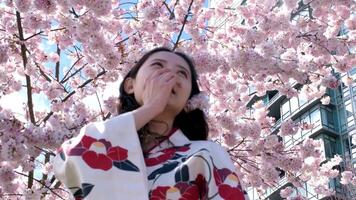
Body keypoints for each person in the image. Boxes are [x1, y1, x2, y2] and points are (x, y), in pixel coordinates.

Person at [52, 47, 249, 200]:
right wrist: (151, 108)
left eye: (182, 73)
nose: (170, 75)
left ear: (189, 99)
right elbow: (70, 159)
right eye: (158, 66)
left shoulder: (206, 153)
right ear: (130, 85)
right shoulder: (102, 142)